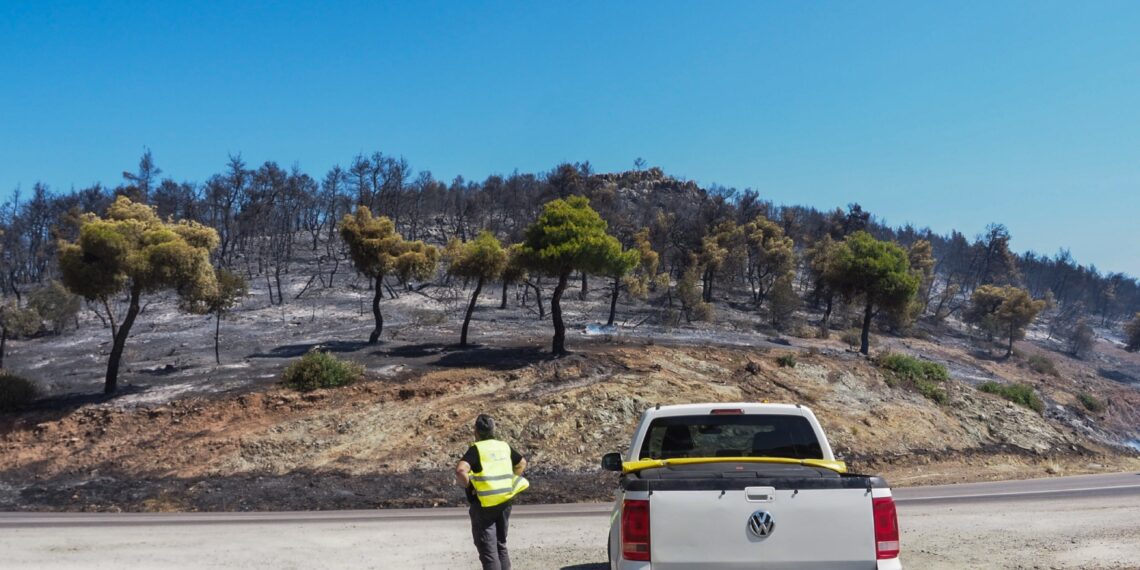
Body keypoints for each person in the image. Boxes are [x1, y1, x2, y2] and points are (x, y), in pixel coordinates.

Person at [455, 414, 528, 570]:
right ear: (493, 429)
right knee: (501, 544)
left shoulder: (477, 449)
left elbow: (461, 470)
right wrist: (511, 479)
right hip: (505, 501)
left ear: (476, 431)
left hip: (484, 505)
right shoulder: (504, 446)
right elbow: (522, 463)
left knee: (488, 550)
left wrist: (470, 486)